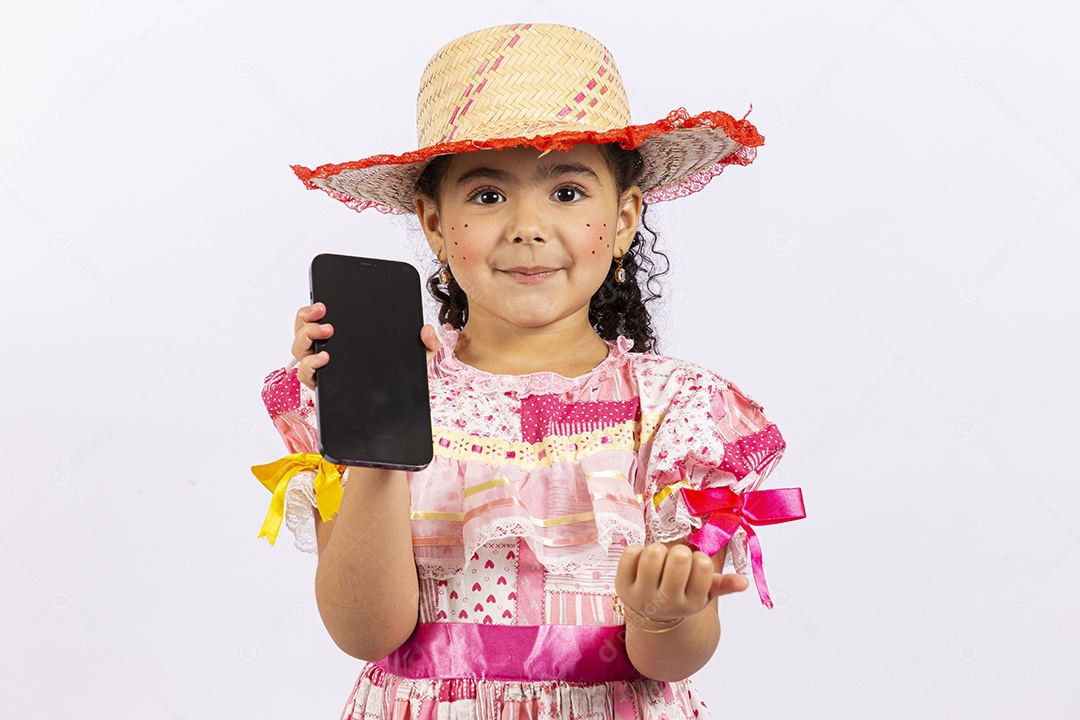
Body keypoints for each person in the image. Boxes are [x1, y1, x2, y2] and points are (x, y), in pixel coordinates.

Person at [251, 23, 805, 720]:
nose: (527, 225)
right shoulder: (396, 393)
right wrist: (378, 430)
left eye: (567, 192)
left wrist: (663, 613)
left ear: (626, 217)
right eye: (487, 196)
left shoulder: (671, 409)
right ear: (432, 222)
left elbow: (673, 659)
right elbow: (365, 633)